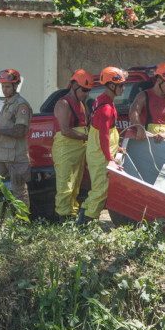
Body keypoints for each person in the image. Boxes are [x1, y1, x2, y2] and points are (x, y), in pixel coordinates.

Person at [0, 68, 32, 225]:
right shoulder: (6, 104)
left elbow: (20, 131)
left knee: (19, 191)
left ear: (15, 86)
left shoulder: (21, 105)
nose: (5, 90)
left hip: (16, 156)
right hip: (0, 155)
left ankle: (22, 224)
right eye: (3, 86)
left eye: (8, 86)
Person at [80, 66, 128, 226]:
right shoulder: (106, 108)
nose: (123, 88)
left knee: (97, 189)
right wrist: (109, 159)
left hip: (98, 152)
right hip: (100, 155)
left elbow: (108, 133)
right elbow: (103, 135)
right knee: (101, 190)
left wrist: (118, 148)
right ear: (112, 86)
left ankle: (83, 217)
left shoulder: (102, 100)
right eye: (121, 85)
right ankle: (86, 224)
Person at [52, 69, 93, 221]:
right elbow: (65, 130)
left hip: (79, 149)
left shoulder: (82, 104)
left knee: (75, 184)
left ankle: (72, 214)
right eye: (84, 90)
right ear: (74, 86)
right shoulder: (63, 104)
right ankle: (63, 217)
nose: (86, 94)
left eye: (88, 90)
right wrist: (85, 136)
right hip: (66, 148)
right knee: (65, 184)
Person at [128, 62, 165, 143]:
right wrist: (139, 127)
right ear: (158, 80)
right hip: (147, 144)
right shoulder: (144, 96)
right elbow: (133, 111)